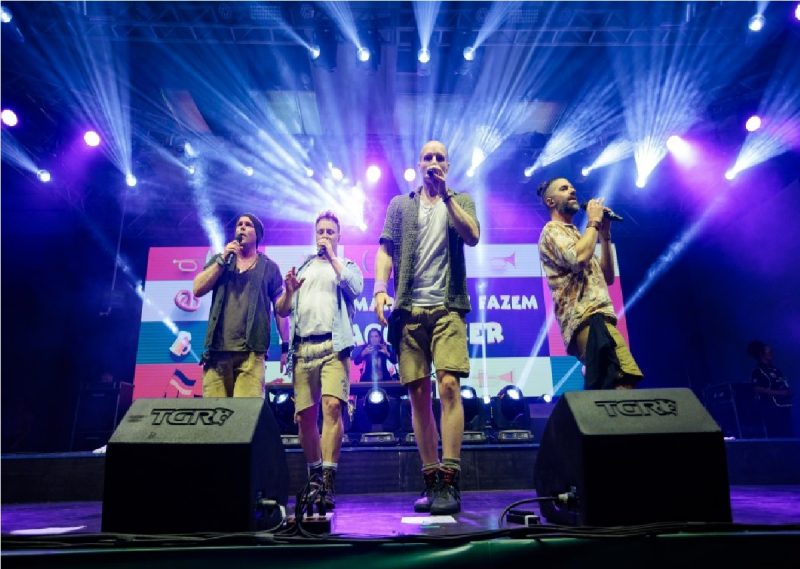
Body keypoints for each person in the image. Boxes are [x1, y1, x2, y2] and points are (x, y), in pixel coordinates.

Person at [374, 140, 480, 515]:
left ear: (447, 165)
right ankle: (431, 478)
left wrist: (447, 196)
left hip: (448, 307)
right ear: (418, 164)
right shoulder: (400, 205)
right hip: (409, 310)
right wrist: (379, 290)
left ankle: (451, 479)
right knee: (418, 395)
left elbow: (472, 236)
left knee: (449, 384)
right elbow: (385, 249)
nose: (433, 162)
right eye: (428, 157)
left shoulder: (460, 200)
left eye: (440, 158)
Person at [275, 211, 364, 510]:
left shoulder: (347, 266)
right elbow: (282, 309)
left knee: (333, 406)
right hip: (303, 350)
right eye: (320, 231)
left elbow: (355, 288)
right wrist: (288, 292)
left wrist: (333, 258)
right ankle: (314, 473)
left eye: (330, 231)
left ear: (339, 236)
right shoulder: (303, 267)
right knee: (304, 418)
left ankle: (328, 478)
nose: (324, 235)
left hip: (334, 347)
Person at [536, 178, 643, 390]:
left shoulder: (577, 233)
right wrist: (593, 222)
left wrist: (604, 236)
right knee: (621, 381)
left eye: (572, 188)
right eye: (564, 189)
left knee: (613, 385)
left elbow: (607, 276)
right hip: (586, 319)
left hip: (599, 319)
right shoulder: (552, 230)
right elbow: (579, 258)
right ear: (550, 201)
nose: (572, 191)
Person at [193, 213, 288, 397]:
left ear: (257, 235)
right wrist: (222, 260)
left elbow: (280, 311)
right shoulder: (221, 261)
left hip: (251, 356)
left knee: (245, 417)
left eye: (248, 225)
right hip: (217, 353)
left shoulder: (269, 267)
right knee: (214, 417)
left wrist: (285, 346)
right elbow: (197, 289)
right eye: (239, 224)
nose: (242, 228)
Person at [747, 340, 793, 437]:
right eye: (769, 352)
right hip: (772, 409)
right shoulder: (758, 371)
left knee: (788, 434)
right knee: (777, 435)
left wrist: (788, 392)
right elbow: (757, 388)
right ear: (761, 354)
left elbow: (783, 383)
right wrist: (778, 393)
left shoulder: (776, 370)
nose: (771, 353)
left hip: (785, 406)